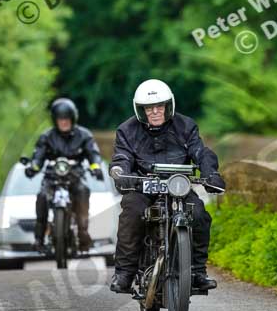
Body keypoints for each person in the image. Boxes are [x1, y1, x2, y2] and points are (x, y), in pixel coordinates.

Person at [109, 79, 225, 293]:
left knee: (198, 214)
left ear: (168, 106)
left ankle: (197, 271)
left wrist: (211, 173)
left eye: (159, 106)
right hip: (142, 187)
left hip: (177, 187)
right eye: (149, 108)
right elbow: (122, 156)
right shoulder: (126, 130)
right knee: (132, 213)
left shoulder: (186, 126)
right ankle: (124, 272)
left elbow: (200, 152)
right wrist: (122, 173)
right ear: (140, 110)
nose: (154, 112)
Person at [25, 97, 103, 252]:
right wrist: (33, 167)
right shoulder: (46, 136)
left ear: (73, 119)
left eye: (66, 119)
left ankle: (83, 232)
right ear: (55, 120)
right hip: (52, 178)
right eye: (60, 120)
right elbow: (38, 156)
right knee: (42, 196)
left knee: (83, 191)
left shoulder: (84, 135)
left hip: (76, 176)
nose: (64, 123)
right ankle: (39, 239)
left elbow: (93, 154)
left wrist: (96, 167)